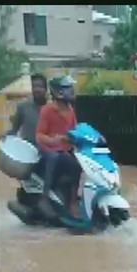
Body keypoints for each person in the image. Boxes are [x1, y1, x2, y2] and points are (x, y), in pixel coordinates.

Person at [35, 75, 82, 219]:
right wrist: (53, 140)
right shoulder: (48, 110)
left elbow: (75, 130)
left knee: (79, 164)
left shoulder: (70, 109)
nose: (70, 91)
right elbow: (39, 135)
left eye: (70, 88)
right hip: (48, 151)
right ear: (57, 92)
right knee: (54, 157)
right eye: (67, 88)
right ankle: (44, 198)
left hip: (65, 152)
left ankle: (75, 200)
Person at [0, 73, 48, 146]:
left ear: (45, 89)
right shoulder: (23, 107)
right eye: (34, 86)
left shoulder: (52, 108)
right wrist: (5, 136)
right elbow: (14, 130)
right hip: (27, 148)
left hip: (48, 150)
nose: (37, 89)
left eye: (40, 86)